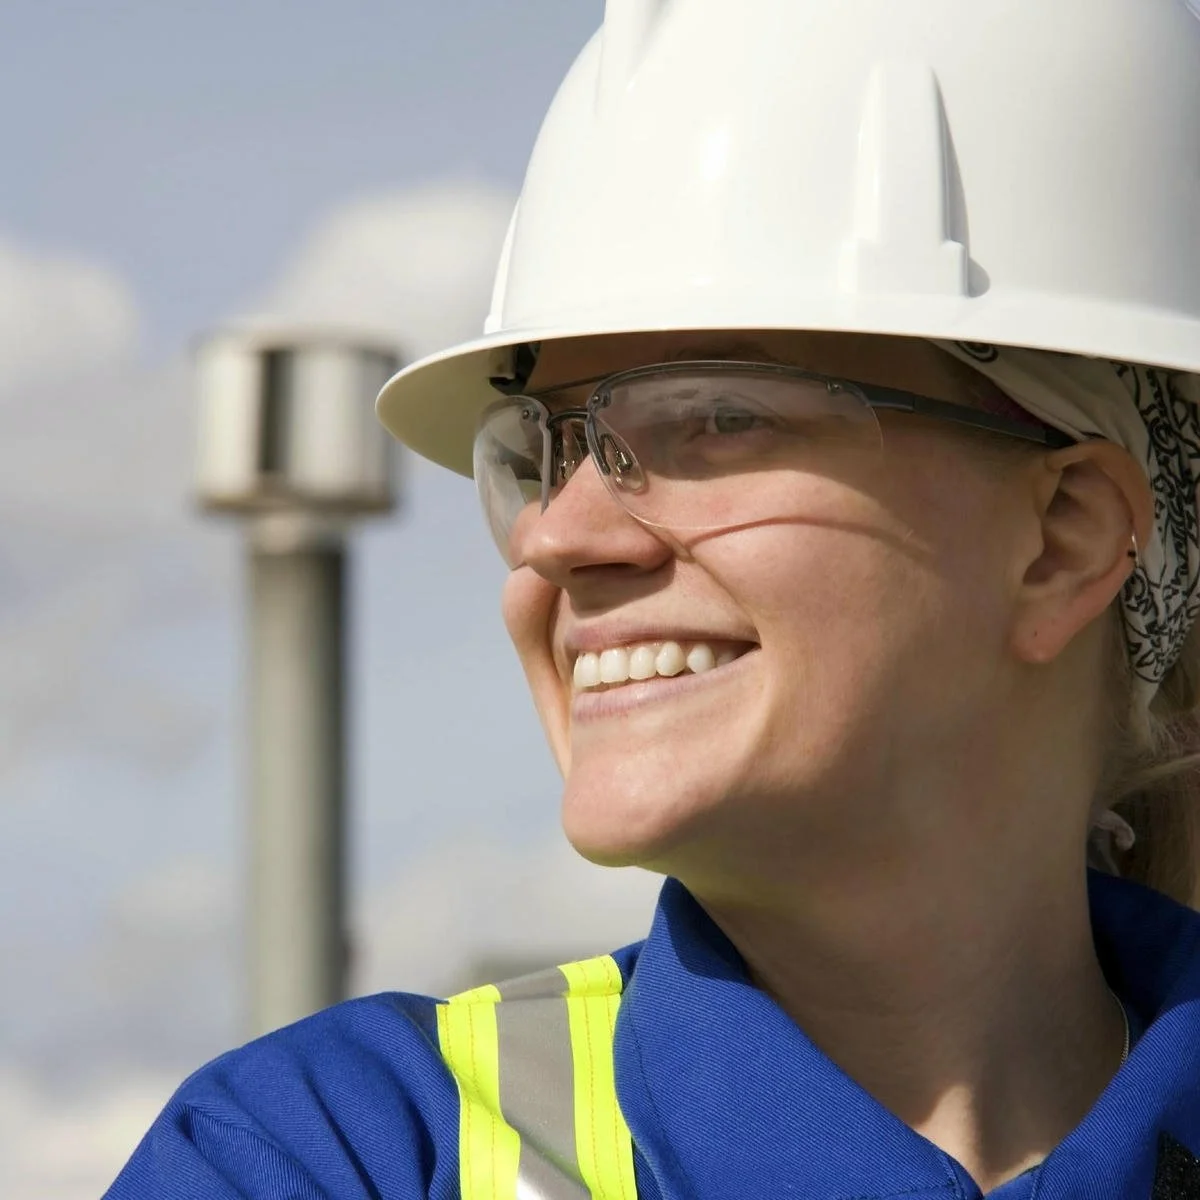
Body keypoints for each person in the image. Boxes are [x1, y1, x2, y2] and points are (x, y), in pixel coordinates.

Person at [106, 1, 1200, 1197]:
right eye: (538, 450)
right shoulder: (330, 1157)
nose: (554, 533)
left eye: (715, 419)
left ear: (1062, 540)